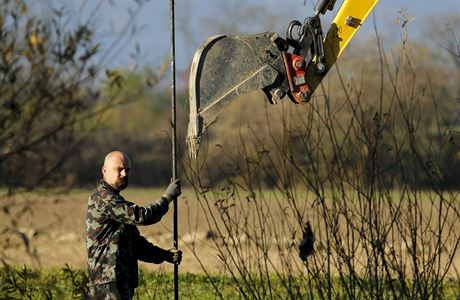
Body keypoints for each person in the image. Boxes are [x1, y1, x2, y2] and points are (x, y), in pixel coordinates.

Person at [86, 151, 182, 299]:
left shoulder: (116, 203)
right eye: (119, 169)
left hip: (119, 282)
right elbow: (142, 216)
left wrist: (165, 255)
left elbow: (136, 245)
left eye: (128, 170)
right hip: (107, 282)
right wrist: (167, 197)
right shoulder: (103, 197)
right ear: (104, 170)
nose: (124, 174)